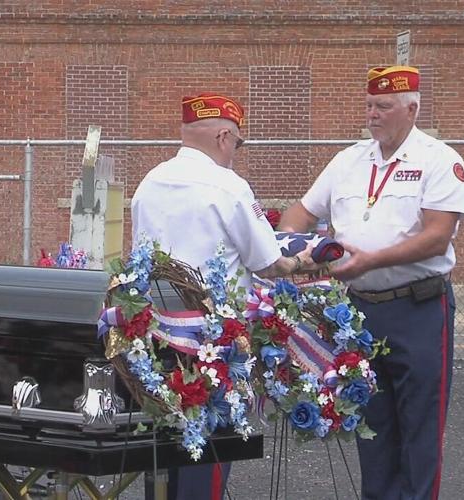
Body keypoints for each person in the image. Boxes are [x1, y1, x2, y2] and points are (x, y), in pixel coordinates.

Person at [279, 66, 464, 499]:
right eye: (369, 105)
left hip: (418, 309)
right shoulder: (348, 160)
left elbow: (437, 237)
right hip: (360, 311)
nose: (372, 114)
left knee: (420, 427)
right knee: (371, 426)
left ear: (411, 109)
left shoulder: (439, 160)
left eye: (383, 106)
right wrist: (294, 247)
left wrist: (369, 261)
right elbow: (300, 213)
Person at [131, 92, 318, 500]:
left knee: (162, 455)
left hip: (158, 338)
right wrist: (301, 260)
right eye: (238, 142)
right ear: (223, 137)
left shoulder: (150, 182)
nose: (236, 151)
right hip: (215, 346)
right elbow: (268, 263)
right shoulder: (229, 186)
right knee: (209, 458)